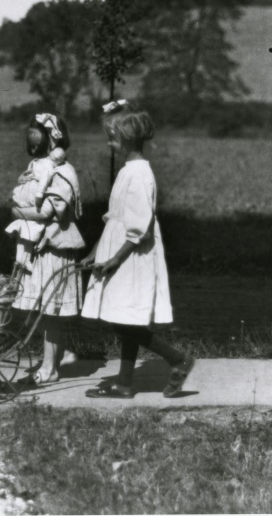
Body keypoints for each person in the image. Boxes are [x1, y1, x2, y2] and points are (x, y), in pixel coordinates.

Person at [79, 100, 195, 399]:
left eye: (112, 136)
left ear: (128, 137)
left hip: (132, 255)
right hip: (119, 250)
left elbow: (139, 226)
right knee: (125, 317)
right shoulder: (128, 171)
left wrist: (115, 259)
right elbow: (116, 217)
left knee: (124, 319)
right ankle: (124, 383)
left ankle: (177, 359)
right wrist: (96, 250)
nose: (109, 142)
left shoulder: (139, 174)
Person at [7, 113, 85, 386]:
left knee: (50, 310)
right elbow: (18, 201)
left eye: (38, 134)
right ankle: (59, 355)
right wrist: (23, 209)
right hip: (35, 245)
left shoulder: (63, 172)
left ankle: (50, 367)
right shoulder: (36, 166)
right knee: (43, 307)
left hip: (53, 245)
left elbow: (50, 209)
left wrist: (20, 211)